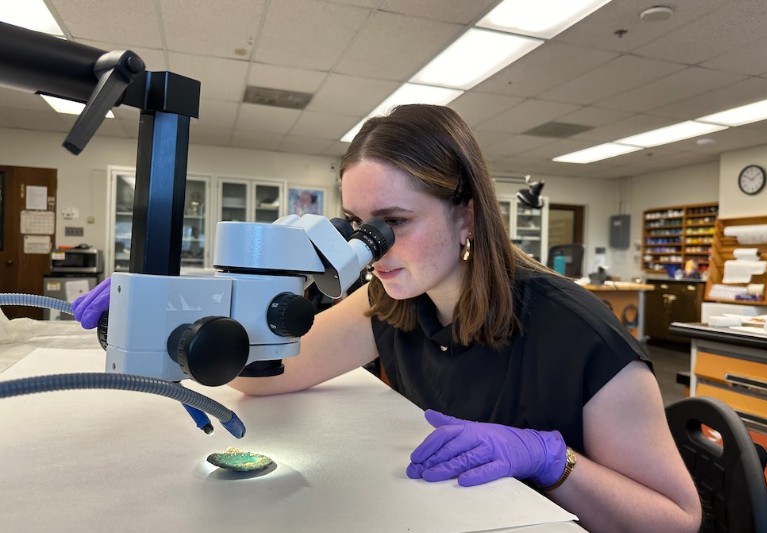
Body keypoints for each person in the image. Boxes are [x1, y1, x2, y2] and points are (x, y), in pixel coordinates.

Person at [73, 104, 701, 532]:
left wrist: (548, 458)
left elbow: (677, 519)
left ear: (467, 218)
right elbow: (263, 373)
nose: (370, 249)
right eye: (359, 227)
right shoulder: (391, 303)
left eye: (393, 224)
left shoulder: (576, 331)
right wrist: (166, 310)